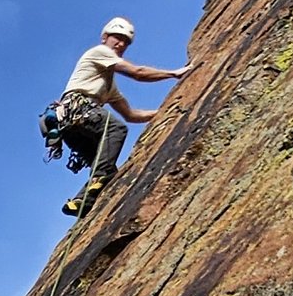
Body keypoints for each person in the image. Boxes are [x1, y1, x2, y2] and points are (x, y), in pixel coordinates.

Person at [50, 17, 191, 214]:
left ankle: (81, 202)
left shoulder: (108, 88)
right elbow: (137, 72)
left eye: (125, 41)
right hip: (79, 110)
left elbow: (131, 115)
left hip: (71, 127)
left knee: (108, 170)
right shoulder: (100, 52)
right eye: (117, 37)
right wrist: (174, 73)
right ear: (105, 38)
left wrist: (163, 112)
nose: (121, 43)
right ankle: (98, 179)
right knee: (115, 129)